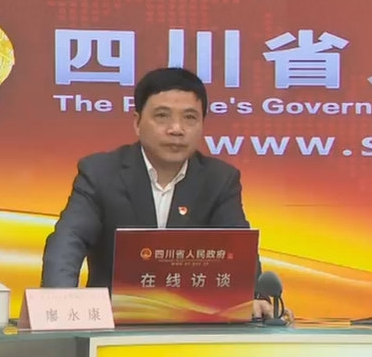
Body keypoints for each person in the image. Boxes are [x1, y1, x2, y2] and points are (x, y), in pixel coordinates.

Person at [41, 67, 288, 321]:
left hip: (194, 327)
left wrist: (254, 297)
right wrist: (60, 303)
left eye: (190, 118)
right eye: (162, 116)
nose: (176, 129)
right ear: (137, 122)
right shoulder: (101, 173)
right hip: (113, 325)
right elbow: (69, 240)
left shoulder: (219, 180)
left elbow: (237, 248)